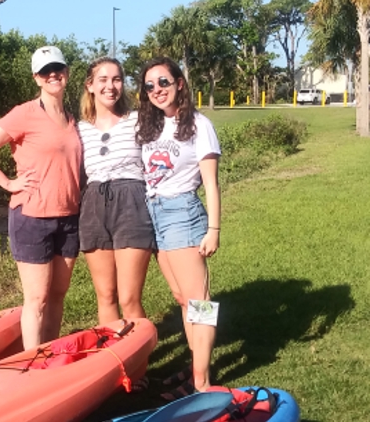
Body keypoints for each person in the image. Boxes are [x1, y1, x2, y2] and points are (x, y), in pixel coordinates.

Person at [0, 46, 81, 350]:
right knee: (37, 299)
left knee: (57, 296)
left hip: (69, 218)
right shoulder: (25, 114)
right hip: (32, 217)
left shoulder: (72, 118)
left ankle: (50, 353)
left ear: (67, 72)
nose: (53, 75)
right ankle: (32, 362)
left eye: (58, 68)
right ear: (37, 78)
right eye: (46, 71)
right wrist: (7, 182)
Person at [136, 57, 221, 400]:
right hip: (155, 212)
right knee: (182, 299)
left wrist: (213, 228)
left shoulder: (200, 125)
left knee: (200, 302)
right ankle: (196, 368)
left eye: (164, 82)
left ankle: (201, 383)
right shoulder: (151, 126)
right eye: (150, 86)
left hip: (183, 212)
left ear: (180, 83)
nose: (157, 90)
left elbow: (211, 184)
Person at [78, 57, 155, 326]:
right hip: (93, 205)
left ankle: (139, 365)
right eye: (103, 79)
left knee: (129, 298)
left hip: (131, 202)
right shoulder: (79, 129)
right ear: (90, 86)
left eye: (117, 79)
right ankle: (114, 363)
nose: (110, 86)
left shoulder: (137, 120)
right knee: (106, 295)